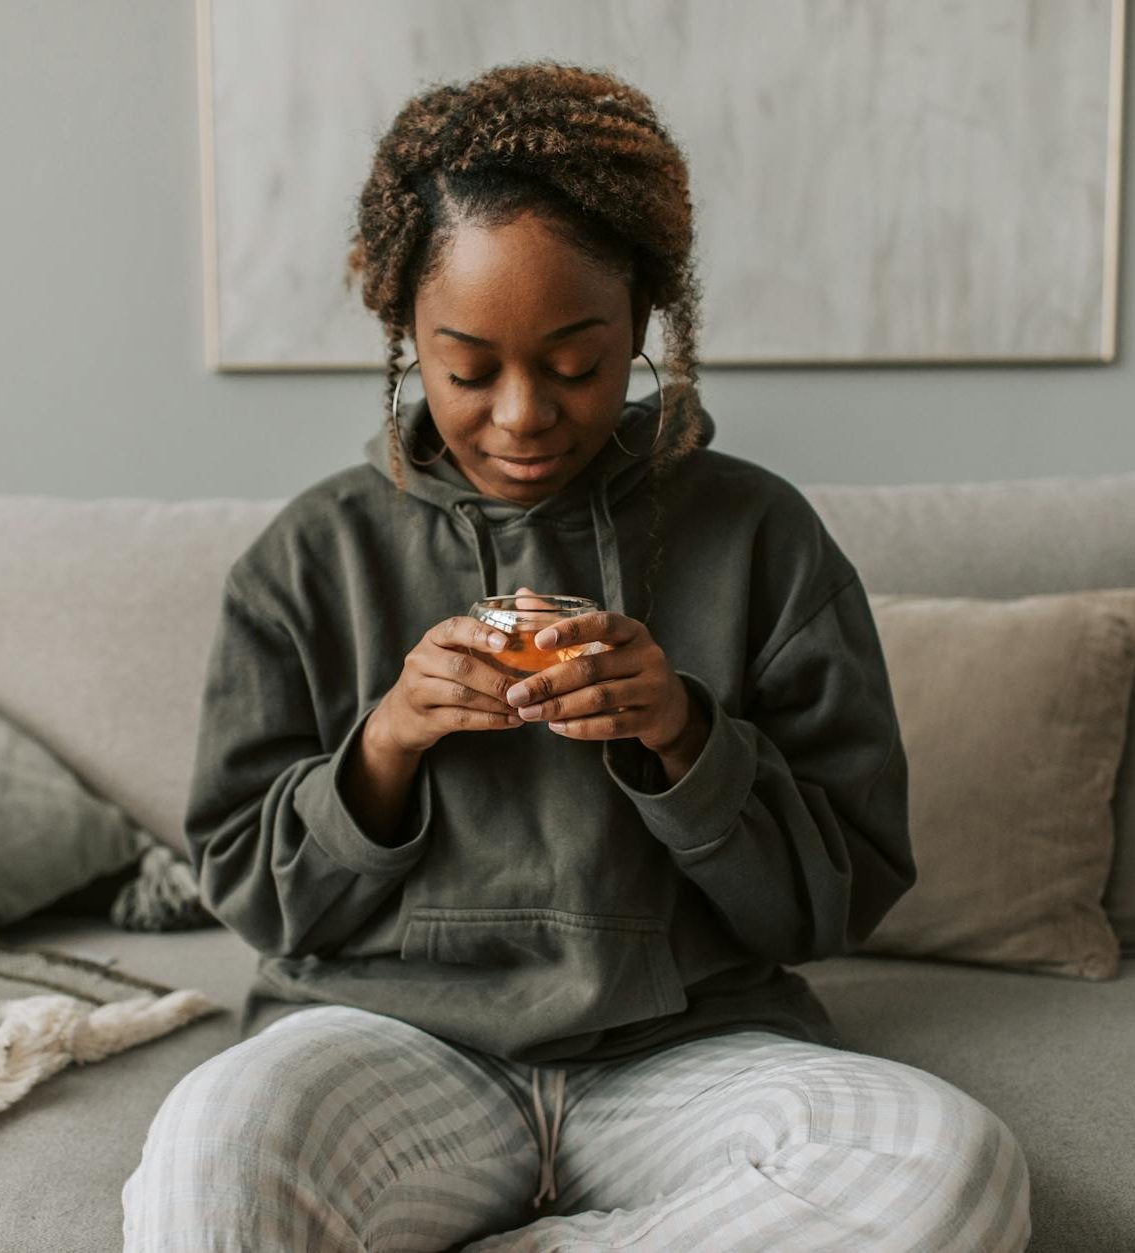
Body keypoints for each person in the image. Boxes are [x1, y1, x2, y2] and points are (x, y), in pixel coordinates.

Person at [122, 61, 1031, 1252]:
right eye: (467, 368)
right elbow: (252, 893)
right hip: (390, 1043)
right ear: (406, 336)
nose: (521, 415)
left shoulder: (759, 537)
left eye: (573, 364)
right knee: (208, 1155)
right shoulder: (308, 557)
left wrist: (683, 737)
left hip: (690, 1053)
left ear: (640, 322)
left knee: (949, 1171)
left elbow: (833, 899)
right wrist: (387, 741)